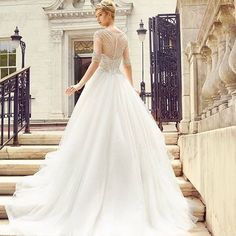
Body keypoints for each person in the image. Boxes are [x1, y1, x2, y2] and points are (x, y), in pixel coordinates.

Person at [5, 0, 198, 235]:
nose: (97, 18)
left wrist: (79, 84)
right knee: (121, 134)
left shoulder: (100, 35)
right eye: (96, 15)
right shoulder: (124, 37)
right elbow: (127, 64)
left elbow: (96, 61)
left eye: (99, 15)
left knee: (92, 134)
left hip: (102, 85)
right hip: (119, 86)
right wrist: (131, 87)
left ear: (108, 14)